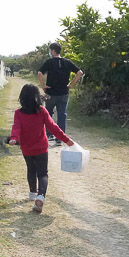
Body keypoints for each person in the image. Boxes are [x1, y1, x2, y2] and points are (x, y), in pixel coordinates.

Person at [8, 83, 76, 213]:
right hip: (41, 148)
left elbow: (16, 127)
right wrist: (66, 140)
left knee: (31, 169)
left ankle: (32, 193)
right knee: (43, 173)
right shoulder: (42, 111)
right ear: (37, 97)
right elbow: (53, 127)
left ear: (22, 97)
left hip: (27, 148)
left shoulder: (18, 113)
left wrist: (13, 138)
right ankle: (41, 196)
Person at [37, 43, 84, 145]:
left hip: (51, 93)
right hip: (63, 93)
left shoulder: (49, 62)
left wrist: (43, 86)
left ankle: (49, 135)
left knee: (48, 114)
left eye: (50, 50)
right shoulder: (67, 62)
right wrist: (71, 84)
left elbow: (40, 73)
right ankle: (60, 139)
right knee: (62, 115)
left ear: (53, 51)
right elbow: (80, 72)